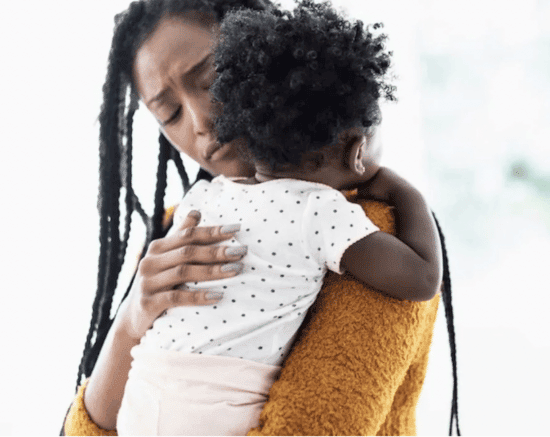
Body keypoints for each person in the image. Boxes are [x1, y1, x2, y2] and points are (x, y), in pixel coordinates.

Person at [60, 0, 460, 435]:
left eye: (211, 80)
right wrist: (130, 321)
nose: (199, 122)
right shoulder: (180, 225)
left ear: (264, 56)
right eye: (169, 113)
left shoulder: (373, 230)